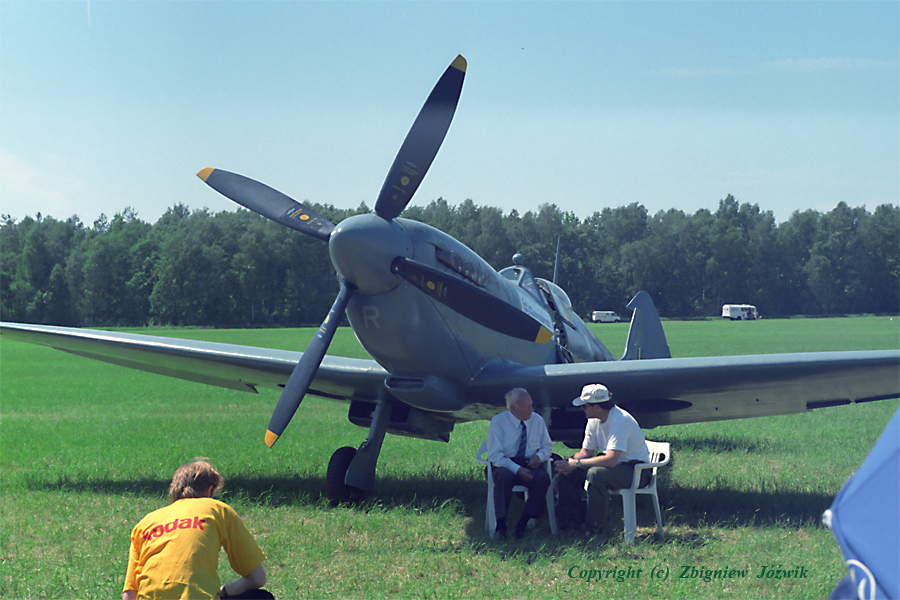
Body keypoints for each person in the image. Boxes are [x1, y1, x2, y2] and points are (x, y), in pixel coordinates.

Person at [123, 459, 270, 600]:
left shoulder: (145, 523)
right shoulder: (217, 509)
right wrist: (222, 592)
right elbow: (257, 579)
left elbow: (129, 594)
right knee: (262, 597)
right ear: (210, 489)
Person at [553, 384, 650, 543]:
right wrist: (568, 463)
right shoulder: (593, 420)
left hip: (636, 469)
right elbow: (586, 452)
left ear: (596, 407)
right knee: (567, 475)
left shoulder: (619, 420)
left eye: (584, 406)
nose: (581, 409)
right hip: (615, 466)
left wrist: (577, 464)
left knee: (596, 474)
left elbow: (611, 460)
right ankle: (570, 527)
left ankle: (595, 532)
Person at [485, 387, 553, 540]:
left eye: (531, 405)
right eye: (527, 406)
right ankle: (500, 526)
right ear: (513, 409)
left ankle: (524, 522)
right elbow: (495, 456)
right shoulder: (498, 422)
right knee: (504, 478)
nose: (531, 409)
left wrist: (538, 457)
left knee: (542, 479)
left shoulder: (537, 420)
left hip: (529, 462)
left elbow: (547, 446)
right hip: (504, 464)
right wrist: (517, 470)